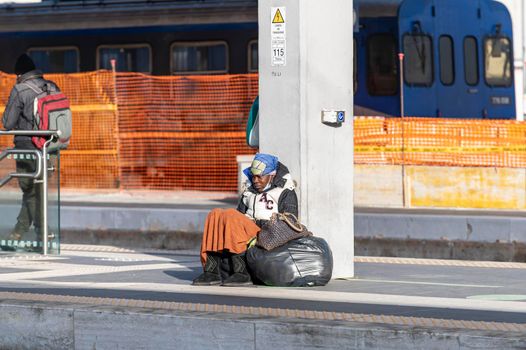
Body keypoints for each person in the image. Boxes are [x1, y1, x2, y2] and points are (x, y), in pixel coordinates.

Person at [193, 153, 298, 286]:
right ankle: (211, 271)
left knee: (231, 215)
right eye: (253, 176)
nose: (255, 180)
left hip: (268, 233)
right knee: (216, 214)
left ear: (271, 175)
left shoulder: (285, 191)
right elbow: (238, 215)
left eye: (260, 176)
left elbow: (291, 221)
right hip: (246, 230)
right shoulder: (249, 191)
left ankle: (242, 272)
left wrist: (263, 224)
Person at [2, 54, 59, 243]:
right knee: (39, 190)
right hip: (50, 147)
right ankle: (39, 233)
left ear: (19, 74)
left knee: (30, 190)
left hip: (27, 148)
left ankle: (28, 233)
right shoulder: (52, 87)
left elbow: (8, 123)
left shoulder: (20, 89)